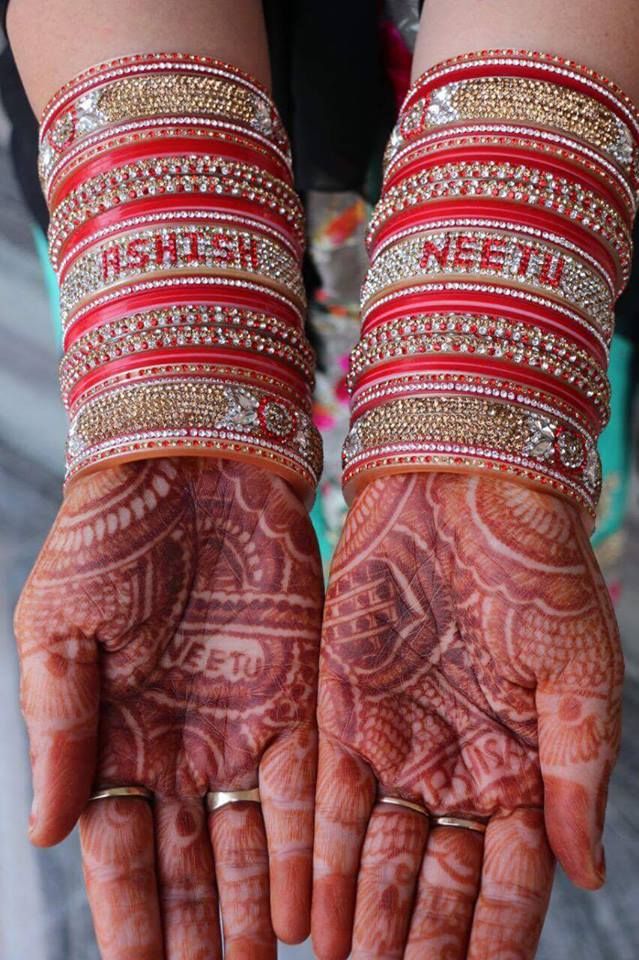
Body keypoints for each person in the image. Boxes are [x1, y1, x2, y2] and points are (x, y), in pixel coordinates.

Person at [6, 1, 639, 958]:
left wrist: (480, 388)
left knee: (501, 519)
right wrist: (181, 371)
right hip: (173, 192)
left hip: (540, 200)